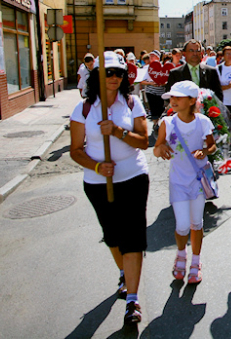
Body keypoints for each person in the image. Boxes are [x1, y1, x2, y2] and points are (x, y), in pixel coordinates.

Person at [69, 51, 150, 326]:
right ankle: (123, 273)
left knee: (133, 237)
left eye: (119, 73)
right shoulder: (83, 109)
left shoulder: (132, 102)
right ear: (97, 77)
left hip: (134, 177)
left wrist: (117, 131)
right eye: (108, 73)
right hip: (97, 183)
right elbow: (75, 151)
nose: (115, 78)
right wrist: (96, 167)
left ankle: (132, 300)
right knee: (112, 236)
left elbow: (143, 141)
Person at [153, 81, 217, 284]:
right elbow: (156, 148)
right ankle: (181, 254)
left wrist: (204, 151)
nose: (172, 101)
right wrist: (160, 149)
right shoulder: (167, 123)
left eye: (177, 98)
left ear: (191, 101)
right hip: (178, 181)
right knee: (182, 225)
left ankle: (196, 263)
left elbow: (213, 146)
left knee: (196, 223)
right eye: (171, 98)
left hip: (198, 180)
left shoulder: (203, 122)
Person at [141, 50, 166, 125]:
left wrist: (162, 83)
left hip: (161, 92)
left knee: (161, 109)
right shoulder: (146, 68)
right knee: (153, 110)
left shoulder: (163, 66)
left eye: (153, 56)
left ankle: (160, 125)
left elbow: (166, 79)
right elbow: (141, 81)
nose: (151, 57)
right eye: (150, 56)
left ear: (158, 57)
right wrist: (151, 83)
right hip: (150, 91)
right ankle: (155, 125)